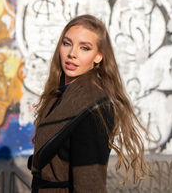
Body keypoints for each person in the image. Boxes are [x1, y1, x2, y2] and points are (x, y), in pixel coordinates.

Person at [28, 14, 151, 193]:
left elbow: (89, 183)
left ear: (98, 56)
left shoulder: (94, 107)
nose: (72, 54)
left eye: (84, 48)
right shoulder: (61, 93)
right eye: (67, 43)